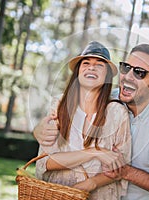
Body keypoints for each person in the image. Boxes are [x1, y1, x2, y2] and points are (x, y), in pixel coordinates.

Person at [34, 43, 149, 200]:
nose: (128, 76)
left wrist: (124, 171)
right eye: (126, 68)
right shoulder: (108, 98)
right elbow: (45, 157)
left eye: (140, 72)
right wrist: (38, 129)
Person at [35, 41, 132, 200]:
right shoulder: (59, 106)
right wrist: (93, 152)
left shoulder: (117, 113)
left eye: (99, 65)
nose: (91, 67)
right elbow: (45, 162)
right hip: (56, 194)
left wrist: (89, 185)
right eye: (86, 63)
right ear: (78, 72)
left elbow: (119, 166)